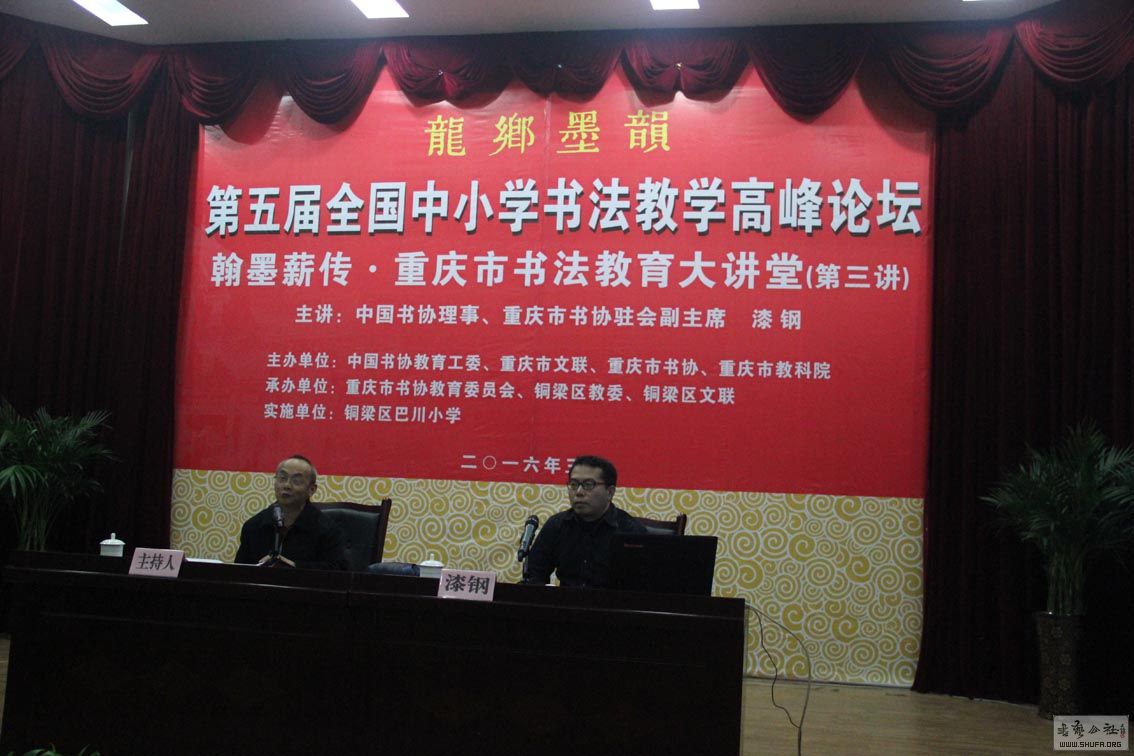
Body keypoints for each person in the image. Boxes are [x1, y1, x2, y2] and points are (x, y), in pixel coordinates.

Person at [522, 454, 646, 588]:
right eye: (573, 484)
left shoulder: (630, 532)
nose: (579, 492)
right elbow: (535, 575)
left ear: (610, 492)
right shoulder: (557, 525)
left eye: (588, 485)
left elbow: (641, 588)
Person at [234, 454, 349, 570]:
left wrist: (295, 567)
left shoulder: (327, 529)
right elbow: (238, 573)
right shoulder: (254, 526)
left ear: (311, 490)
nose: (287, 485)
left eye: (296, 481)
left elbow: (339, 572)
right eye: (282, 478)